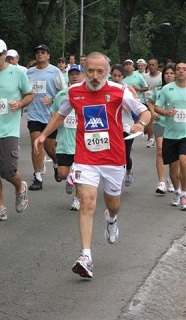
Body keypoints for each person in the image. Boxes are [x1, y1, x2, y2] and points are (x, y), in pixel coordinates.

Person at [34, 52, 151, 278]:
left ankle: (112, 219)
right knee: (87, 201)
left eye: (100, 71)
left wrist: (140, 124)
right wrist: (43, 135)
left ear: (107, 72)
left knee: (113, 204)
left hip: (114, 159)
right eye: (90, 71)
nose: (95, 76)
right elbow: (59, 115)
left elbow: (143, 111)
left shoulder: (119, 91)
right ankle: (85, 256)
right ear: (84, 70)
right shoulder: (74, 92)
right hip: (86, 158)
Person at [0, 39, 34, 221]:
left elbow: (30, 94)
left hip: (8, 129)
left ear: (5, 55)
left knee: (7, 170)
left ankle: (20, 186)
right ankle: (1, 206)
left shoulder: (18, 72)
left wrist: (20, 103)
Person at [27, 44, 67, 191]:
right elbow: (25, 90)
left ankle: (56, 163)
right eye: (37, 53)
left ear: (48, 56)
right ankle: (37, 176)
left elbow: (64, 92)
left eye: (43, 53)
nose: (40, 55)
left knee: (50, 148)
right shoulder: (29, 73)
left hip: (50, 116)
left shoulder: (55, 72)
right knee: (36, 144)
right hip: (34, 115)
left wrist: (51, 99)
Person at [51, 64, 84, 211]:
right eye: (72, 74)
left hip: (81, 144)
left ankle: (77, 199)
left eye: (77, 74)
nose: (75, 77)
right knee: (62, 174)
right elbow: (54, 115)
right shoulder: (61, 95)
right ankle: (69, 179)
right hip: (64, 142)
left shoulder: (88, 94)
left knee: (80, 175)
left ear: (83, 76)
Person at [154, 60, 186, 211]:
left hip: (185, 134)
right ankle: (177, 191)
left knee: (184, 163)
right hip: (171, 133)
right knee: (173, 168)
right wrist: (167, 113)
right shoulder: (167, 89)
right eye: (178, 69)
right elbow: (157, 107)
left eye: (183, 69)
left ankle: (185, 194)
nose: (181, 71)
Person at [148, 64, 177, 194]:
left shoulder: (180, 88)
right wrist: (153, 112)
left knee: (174, 153)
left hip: (175, 124)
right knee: (160, 149)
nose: (169, 75)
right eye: (167, 73)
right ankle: (161, 182)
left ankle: (172, 179)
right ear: (163, 75)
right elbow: (150, 102)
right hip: (160, 122)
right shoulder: (158, 88)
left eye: (171, 73)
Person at [110, 63, 137, 187]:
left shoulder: (128, 89)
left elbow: (136, 105)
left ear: (122, 76)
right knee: (114, 152)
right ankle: (117, 176)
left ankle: (129, 170)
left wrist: (128, 106)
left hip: (127, 125)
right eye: (114, 75)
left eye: (119, 76)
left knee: (125, 153)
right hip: (113, 126)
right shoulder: (107, 88)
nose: (116, 78)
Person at [144, 59, 162, 148]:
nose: (151, 66)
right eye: (149, 65)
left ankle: (160, 137)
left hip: (160, 101)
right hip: (148, 100)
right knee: (149, 119)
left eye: (153, 65)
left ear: (157, 66)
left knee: (158, 120)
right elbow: (143, 87)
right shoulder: (145, 76)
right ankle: (151, 138)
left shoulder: (161, 76)